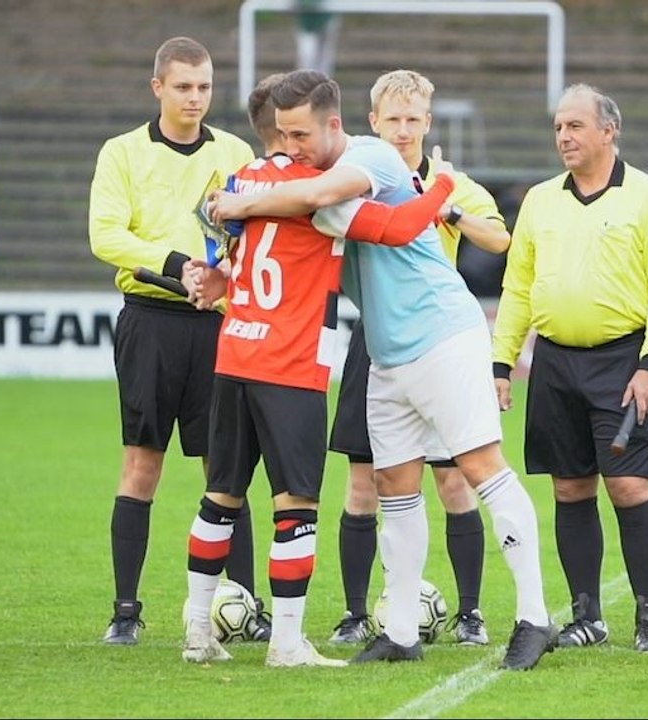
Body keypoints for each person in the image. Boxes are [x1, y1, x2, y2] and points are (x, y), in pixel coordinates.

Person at [209, 69, 556, 671]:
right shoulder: (306, 179)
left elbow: (328, 203)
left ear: (335, 127)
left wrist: (237, 201)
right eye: (284, 136)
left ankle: (534, 617)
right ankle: (399, 631)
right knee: (393, 486)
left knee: (480, 469)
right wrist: (214, 268)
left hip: (442, 335)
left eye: (302, 136)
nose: (293, 148)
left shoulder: (371, 159)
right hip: (387, 352)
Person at [177, 74, 459, 667]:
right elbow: (398, 227)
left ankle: (198, 633)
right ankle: (286, 642)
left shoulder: (242, 181)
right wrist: (442, 187)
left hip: (233, 353)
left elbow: (230, 254)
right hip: (291, 363)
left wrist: (217, 278)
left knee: (220, 496)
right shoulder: (320, 192)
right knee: (295, 506)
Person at [492, 84, 648, 653]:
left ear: (609, 130)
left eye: (575, 126)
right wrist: (501, 362)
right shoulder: (539, 200)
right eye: (558, 127)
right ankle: (586, 616)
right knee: (571, 487)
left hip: (622, 362)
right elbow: (518, 286)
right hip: (552, 363)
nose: (564, 137)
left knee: (628, 485)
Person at [87, 36, 265, 646]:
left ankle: (244, 606)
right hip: (151, 322)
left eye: (205, 86)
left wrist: (221, 277)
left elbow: (254, 232)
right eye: (183, 86)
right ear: (157, 86)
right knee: (143, 463)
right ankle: (126, 612)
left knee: (227, 469)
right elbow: (106, 236)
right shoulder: (122, 153)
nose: (195, 97)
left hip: (219, 326)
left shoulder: (236, 151)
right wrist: (176, 264)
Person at [326, 69, 511, 648]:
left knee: (455, 484)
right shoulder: (356, 175)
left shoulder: (452, 183)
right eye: (393, 120)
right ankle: (357, 613)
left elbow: (500, 240)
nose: (403, 130)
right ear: (372, 122)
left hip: (439, 344)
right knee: (365, 485)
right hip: (377, 339)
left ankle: (472, 614)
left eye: (414, 120)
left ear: (427, 124)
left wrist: (448, 209)